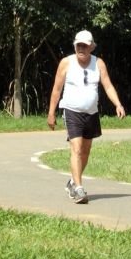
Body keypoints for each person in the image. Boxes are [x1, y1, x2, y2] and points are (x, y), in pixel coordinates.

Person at [46, 30, 126, 204]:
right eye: (78, 45)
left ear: (91, 47)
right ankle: (79, 189)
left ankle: (73, 182)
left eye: (84, 45)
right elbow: (56, 89)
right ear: (75, 46)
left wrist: (118, 104)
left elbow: (108, 86)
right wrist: (51, 113)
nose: (81, 48)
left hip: (91, 113)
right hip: (71, 110)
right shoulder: (66, 63)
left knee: (86, 150)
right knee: (76, 147)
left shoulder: (98, 63)